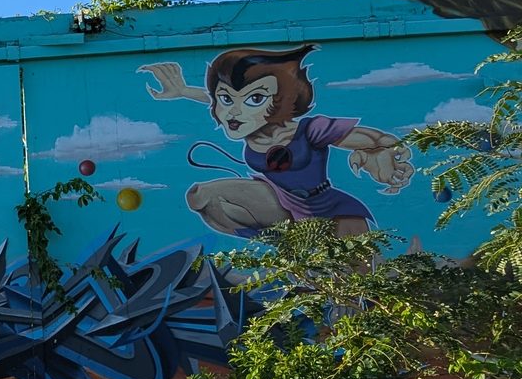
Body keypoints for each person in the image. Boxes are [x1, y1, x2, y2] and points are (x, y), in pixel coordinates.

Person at [141, 45, 412, 237]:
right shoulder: (249, 127)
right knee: (205, 198)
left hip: (333, 212)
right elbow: (221, 101)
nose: (234, 112)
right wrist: (184, 91)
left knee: (352, 293)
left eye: (255, 99)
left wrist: (379, 152)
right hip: (285, 207)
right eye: (226, 99)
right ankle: (281, 246)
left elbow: (372, 138)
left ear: (282, 101)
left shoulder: (309, 130)